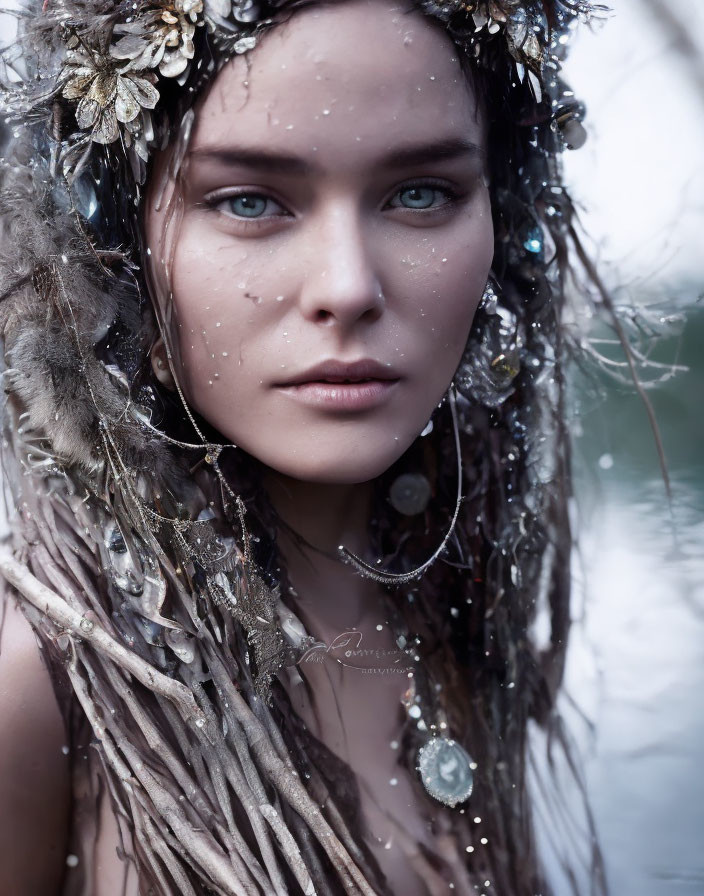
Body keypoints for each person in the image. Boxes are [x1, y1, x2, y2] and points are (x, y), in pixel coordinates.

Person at [0, 0, 607, 893]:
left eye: (420, 193)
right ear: (112, 246)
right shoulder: (42, 681)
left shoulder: (460, 604)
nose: (348, 287)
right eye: (250, 201)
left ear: (500, 215)